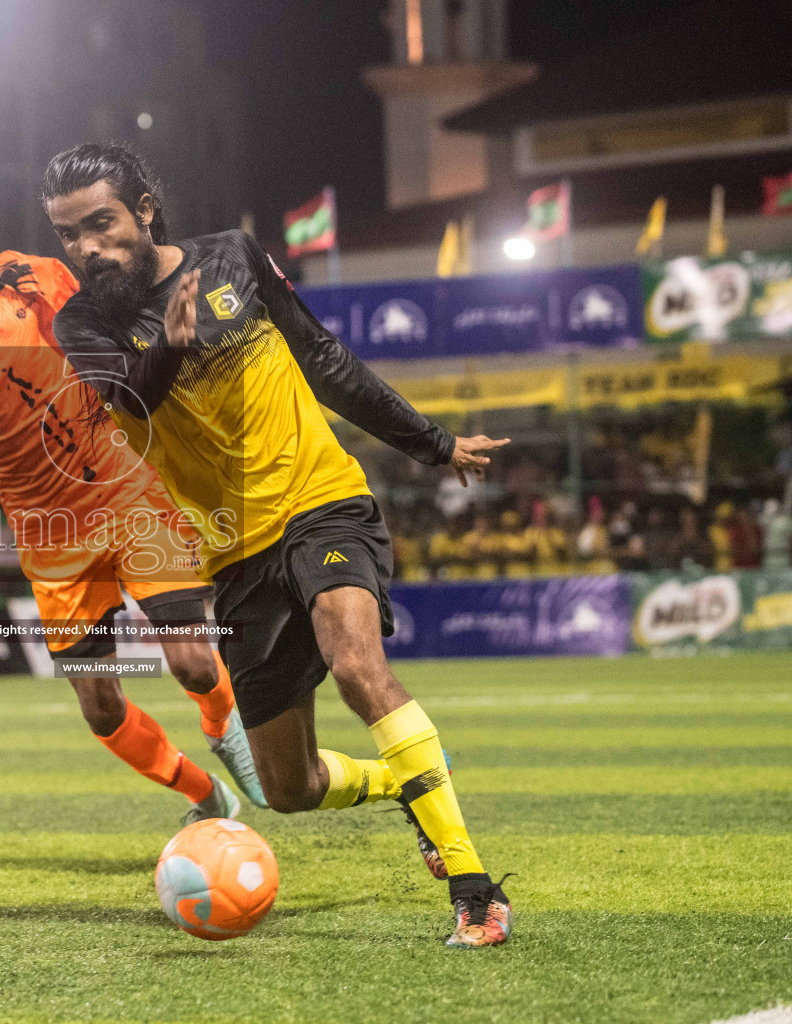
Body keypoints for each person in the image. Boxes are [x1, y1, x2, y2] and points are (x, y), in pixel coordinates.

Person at [44, 142, 513, 947]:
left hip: (321, 499)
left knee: (358, 666)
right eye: (70, 234)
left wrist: (432, 444)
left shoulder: (232, 255)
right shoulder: (81, 323)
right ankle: (400, 784)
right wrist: (172, 346)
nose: (87, 247)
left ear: (145, 210)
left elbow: (324, 358)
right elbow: (133, 397)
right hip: (233, 553)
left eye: (101, 223)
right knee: (286, 789)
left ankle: (474, 889)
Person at [0, 177, 278, 824]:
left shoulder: (27, 277)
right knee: (100, 709)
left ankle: (220, 725)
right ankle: (203, 795)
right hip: (47, 533)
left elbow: (114, 324)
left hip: (121, 483)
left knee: (189, 659)